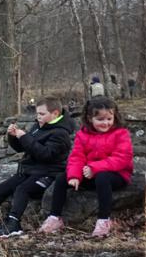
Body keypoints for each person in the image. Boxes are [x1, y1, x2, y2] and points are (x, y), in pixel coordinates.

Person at [0, 97, 75, 238]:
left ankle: (13, 224)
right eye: (37, 113)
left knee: (22, 190)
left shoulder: (61, 134)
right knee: (1, 188)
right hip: (29, 171)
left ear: (55, 114)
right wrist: (14, 137)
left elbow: (45, 155)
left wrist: (24, 137)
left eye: (41, 114)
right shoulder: (39, 126)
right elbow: (22, 148)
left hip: (48, 173)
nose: (38, 117)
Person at [39, 96, 133, 237]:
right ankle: (55, 217)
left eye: (109, 119)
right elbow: (77, 156)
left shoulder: (121, 134)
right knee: (61, 179)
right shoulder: (83, 134)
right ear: (90, 118)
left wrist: (95, 167)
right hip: (89, 173)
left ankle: (103, 220)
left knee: (102, 177)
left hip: (116, 175)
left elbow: (122, 158)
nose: (105, 123)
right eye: (100, 120)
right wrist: (74, 176)